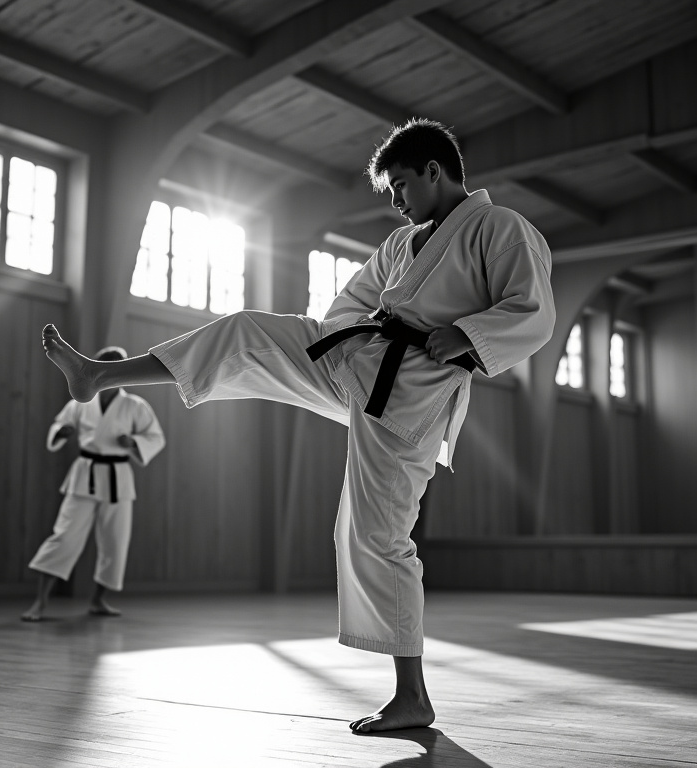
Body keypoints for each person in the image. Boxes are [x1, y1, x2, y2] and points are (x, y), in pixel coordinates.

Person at [41, 118, 555, 732]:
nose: (394, 200)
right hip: (353, 360)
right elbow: (349, 303)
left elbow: (533, 311)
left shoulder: (500, 229)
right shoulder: (401, 246)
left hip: (410, 394)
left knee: (372, 534)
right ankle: (99, 376)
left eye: (399, 185)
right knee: (246, 330)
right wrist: (350, 337)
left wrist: (464, 337)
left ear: (434, 171)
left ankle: (411, 696)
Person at [22, 346, 166, 621]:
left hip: (118, 479)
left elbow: (156, 437)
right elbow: (59, 424)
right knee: (63, 537)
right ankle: (39, 603)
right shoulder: (81, 401)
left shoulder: (135, 406)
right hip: (84, 476)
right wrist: (61, 432)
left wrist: (133, 443)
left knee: (115, 542)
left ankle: (98, 601)